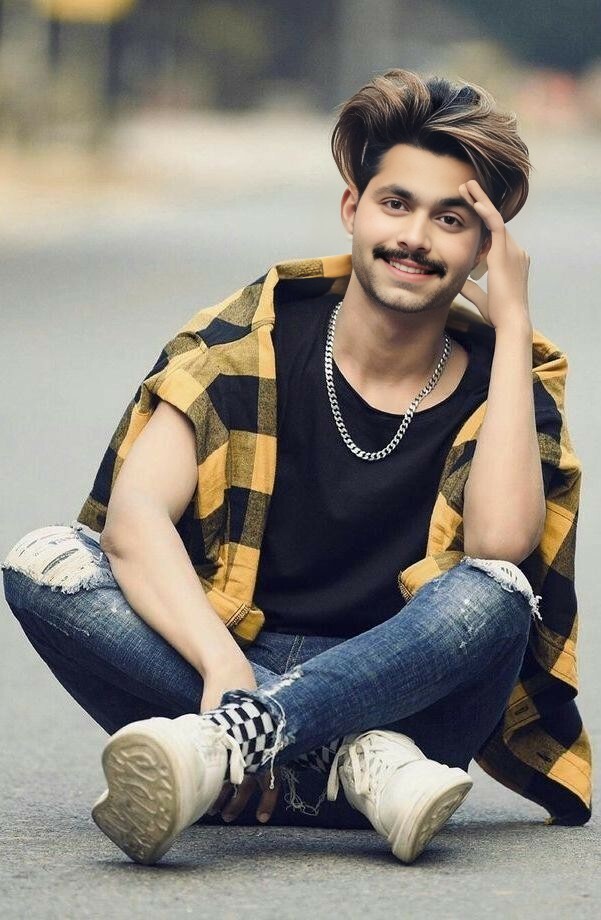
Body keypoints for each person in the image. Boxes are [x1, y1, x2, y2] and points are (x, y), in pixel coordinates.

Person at [2, 68, 591, 867]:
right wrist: (222, 668)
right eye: (395, 204)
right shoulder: (251, 336)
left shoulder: (506, 379)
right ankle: (348, 771)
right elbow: (134, 520)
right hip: (228, 665)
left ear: (485, 248)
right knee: (44, 565)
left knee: (495, 593)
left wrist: (513, 323)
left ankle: (228, 750)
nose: (415, 237)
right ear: (352, 208)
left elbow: (499, 542)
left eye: (450, 219)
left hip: (403, 689)